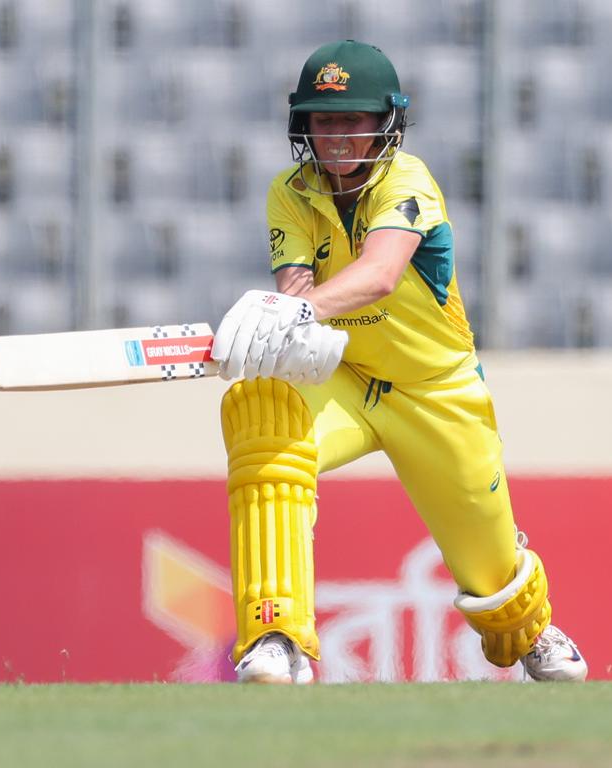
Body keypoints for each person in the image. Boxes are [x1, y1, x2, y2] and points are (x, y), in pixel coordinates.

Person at [210, 40, 587, 684]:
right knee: (262, 413)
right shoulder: (290, 191)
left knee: (492, 573)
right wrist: (275, 323)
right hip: (347, 380)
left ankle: (532, 628)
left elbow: (380, 275)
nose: (337, 137)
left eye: (353, 120)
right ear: (304, 125)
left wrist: (296, 312)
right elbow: (299, 293)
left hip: (438, 392)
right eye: (324, 121)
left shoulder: (407, 180)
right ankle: (276, 636)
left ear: (387, 122)